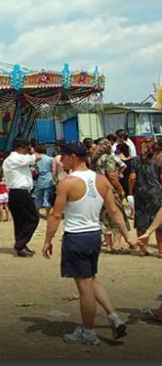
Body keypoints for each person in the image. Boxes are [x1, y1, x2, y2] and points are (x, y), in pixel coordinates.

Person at [42, 143, 135, 345]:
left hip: (76, 236)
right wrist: (127, 236)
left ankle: (88, 332)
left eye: (63, 156)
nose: (61, 161)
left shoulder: (67, 183)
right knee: (91, 279)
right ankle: (113, 317)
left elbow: (56, 215)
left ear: (73, 157)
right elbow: (114, 211)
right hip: (94, 235)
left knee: (84, 287)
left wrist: (48, 240)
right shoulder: (101, 180)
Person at [2, 138, 40, 257]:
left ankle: (21, 246)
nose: (27, 151)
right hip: (20, 193)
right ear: (20, 148)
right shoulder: (17, 158)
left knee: (20, 221)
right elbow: (38, 157)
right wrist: (32, 151)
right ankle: (20, 244)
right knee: (33, 218)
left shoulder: (11, 159)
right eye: (26, 148)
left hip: (15, 193)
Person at [92, 138, 131, 253]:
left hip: (98, 190)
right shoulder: (108, 158)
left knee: (104, 217)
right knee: (118, 214)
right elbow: (112, 175)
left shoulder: (94, 160)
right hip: (109, 190)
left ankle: (108, 245)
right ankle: (117, 244)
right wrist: (120, 189)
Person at [128, 138, 162, 256]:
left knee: (141, 221)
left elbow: (132, 178)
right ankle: (161, 248)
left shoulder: (136, 160)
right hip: (156, 192)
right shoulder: (156, 160)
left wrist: (130, 192)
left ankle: (142, 247)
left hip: (141, 192)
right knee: (158, 221)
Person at [33, 146, 55, 219]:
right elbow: (53, 170)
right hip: (48, 178)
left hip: (39, 178)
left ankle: (37, 213)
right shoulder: (50, 159)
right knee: (47, 197)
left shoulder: (36, 159)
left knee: (38, 197)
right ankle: (48, 214)